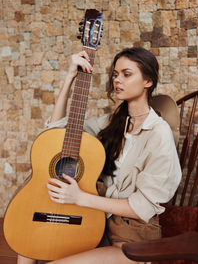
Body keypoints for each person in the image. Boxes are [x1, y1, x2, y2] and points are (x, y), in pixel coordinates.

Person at [17, 47, 182, 264]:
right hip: (94, 222)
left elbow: (141, 207)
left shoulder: (159, 134)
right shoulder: (114, 121)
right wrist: (69, 78)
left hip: (131, 238)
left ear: (148, 81)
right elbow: (57, 133)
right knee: (27, 239)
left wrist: (80, 198)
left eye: (127, 74)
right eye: (115, 74)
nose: (117, 80)